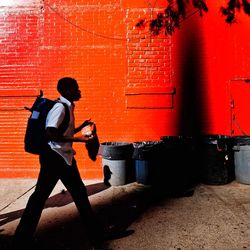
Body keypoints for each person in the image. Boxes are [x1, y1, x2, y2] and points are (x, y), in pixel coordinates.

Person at [11, 77, 108, 249]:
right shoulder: (59, 107)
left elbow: (62, 130)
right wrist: (78, 139)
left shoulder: (67, 106)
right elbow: (50, 133)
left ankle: (97, 236)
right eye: (76, 89)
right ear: (68, 91)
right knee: (42, 198)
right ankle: (20, 240)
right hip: (54, 158)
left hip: (63, 157)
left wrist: (79, 127)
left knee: (76, 193)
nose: (79, 91)